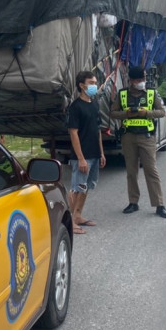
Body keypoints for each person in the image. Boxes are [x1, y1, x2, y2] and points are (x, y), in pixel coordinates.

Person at [110, 65, 166, 218]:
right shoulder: (122, 94)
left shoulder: (151, 93)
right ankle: (133, 202)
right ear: (131, 80)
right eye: (138, 79)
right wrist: (127, 113)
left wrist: (146, 113)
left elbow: (162, 112)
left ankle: (159, 205)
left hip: (147, 137)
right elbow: (113, 113)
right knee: (131, 171)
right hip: (128, 137)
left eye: (143, 79)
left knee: (151, 170)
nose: (141, 82)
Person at [67, 70, 106, 234]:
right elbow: (73, 132)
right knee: (77, 188)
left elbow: (97, 130)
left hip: (94, 153)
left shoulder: (94, 104)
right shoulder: (75, 107)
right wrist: (81, 158)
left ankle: (78, 216)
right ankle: (69, 221)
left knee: (86, 187)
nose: (94, 86)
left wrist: (101, 153)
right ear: (82, 85)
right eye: (91, 83)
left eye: (95, 83)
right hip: (82, 156)